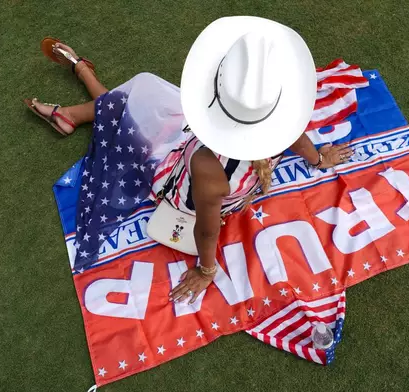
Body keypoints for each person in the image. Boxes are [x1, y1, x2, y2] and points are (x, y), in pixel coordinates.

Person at [25, 17, 354, 305]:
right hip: (195, 169)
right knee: (139, 99)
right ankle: (76, 91)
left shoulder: (211, 167)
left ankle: (76, 88)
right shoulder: (228, 154)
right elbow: (208, 228)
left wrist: (206, 270)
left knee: (135, 109)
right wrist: (319, 159)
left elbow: (208, 230)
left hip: (184, 177)